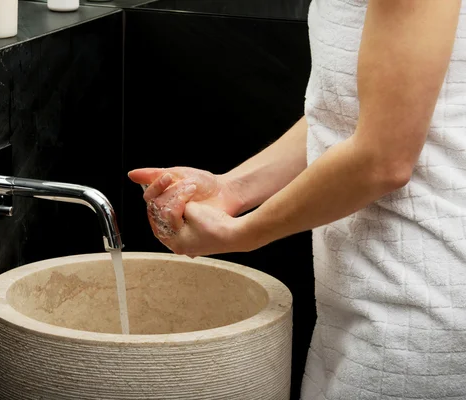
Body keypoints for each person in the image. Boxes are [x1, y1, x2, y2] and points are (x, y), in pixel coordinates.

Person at [128, 1, 466, 399]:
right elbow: (351, 113)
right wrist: (231, 190)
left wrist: (242, 234)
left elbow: (381, 160)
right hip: (365, 295)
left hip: (419, 311)